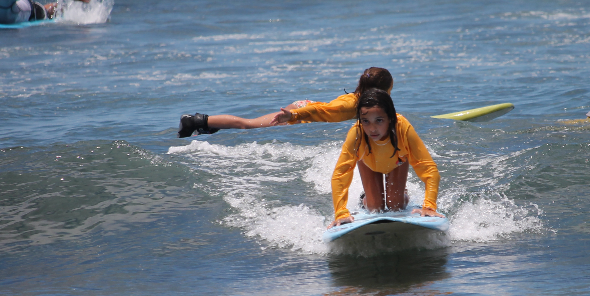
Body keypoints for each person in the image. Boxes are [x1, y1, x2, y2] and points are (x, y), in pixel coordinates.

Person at [329, 88, 443, 228]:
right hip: (368, 161)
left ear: (390, 118)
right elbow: (341, 173)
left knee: (396, 205)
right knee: (375, 207)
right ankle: (365, 198)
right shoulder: (357, 134)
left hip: (397, 160)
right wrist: (340, 213)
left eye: (379, 120)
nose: (372, 129)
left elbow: (428, 168)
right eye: (366, 121)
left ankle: (403, 193)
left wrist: (429, 206)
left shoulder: (403, 128)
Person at [177, 67, 393, 137]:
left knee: (249, 124)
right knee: (248, 124)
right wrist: (293, 116)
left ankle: (207, 126)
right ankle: (196, 121)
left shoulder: (360, 99)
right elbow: (321, 109)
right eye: (390, 91)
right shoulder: (351, 105)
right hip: (301, 111)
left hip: (303, 109)